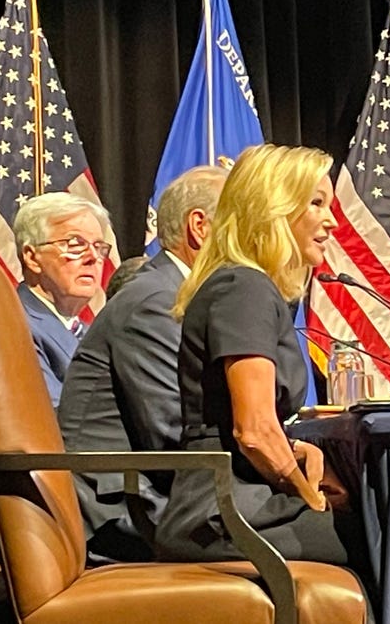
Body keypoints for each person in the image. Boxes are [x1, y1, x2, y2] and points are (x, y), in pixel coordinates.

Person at [157, 143, 345, 563]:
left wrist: (297, 450)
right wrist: (307, 494)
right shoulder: (244, 287)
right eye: (316, 203)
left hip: (236, 501)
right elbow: (254, 431)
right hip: (224, 515)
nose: (332, 221)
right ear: (272, 210)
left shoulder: (247, 286)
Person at [58, 166, 226, 562]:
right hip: (123, 511)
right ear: (200, 228)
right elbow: (173, 431)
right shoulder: (156, 301)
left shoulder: (176, 295)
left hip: (154, 494)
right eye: (242, 224)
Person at [12, 192, 111, 408]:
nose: (93, 257)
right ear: (32, 257)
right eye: (75, 244)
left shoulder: (89, 331)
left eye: (99, 246)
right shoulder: (14, 324)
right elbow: (53, 421)